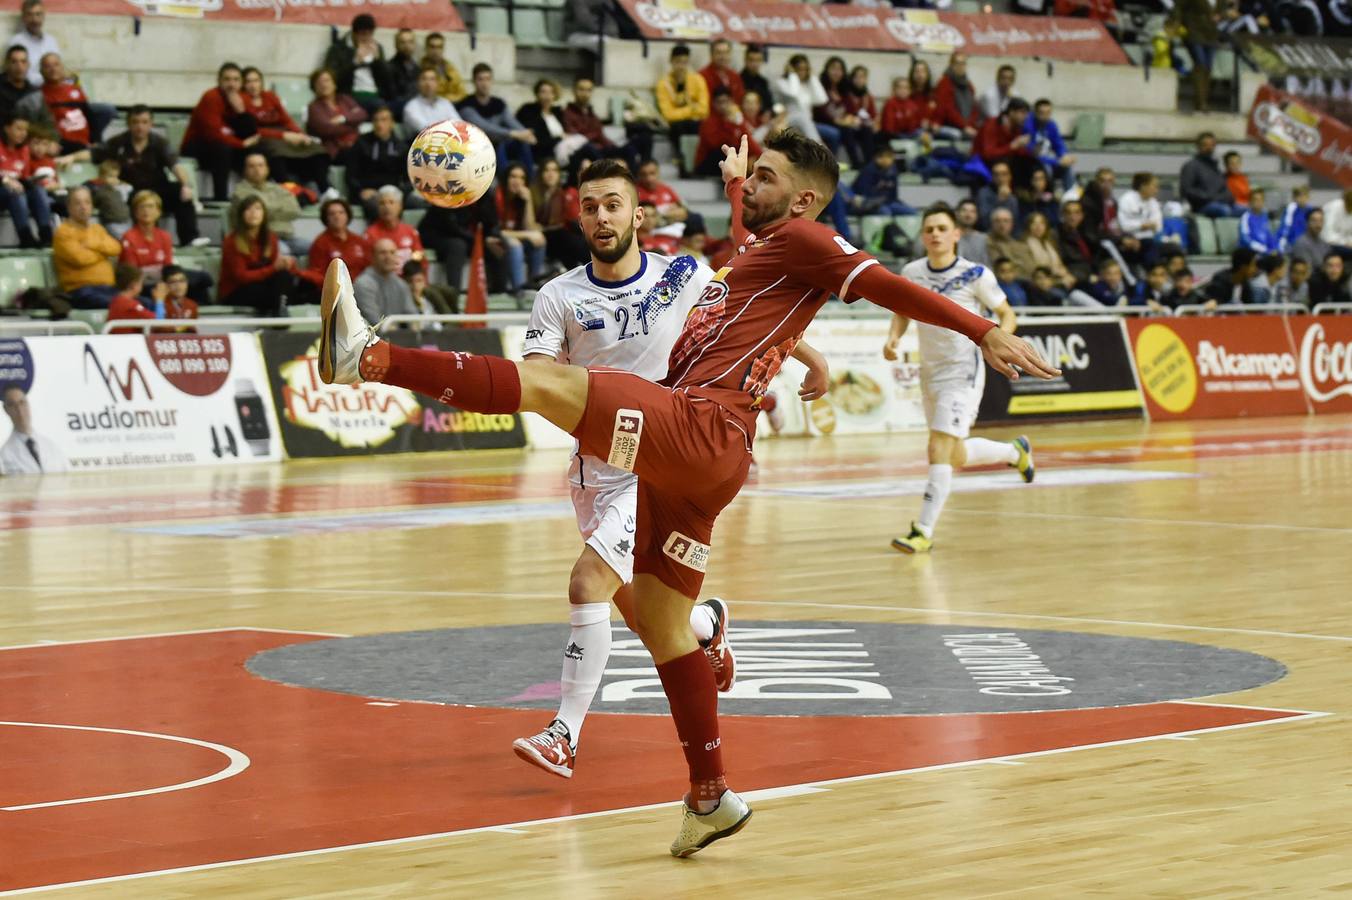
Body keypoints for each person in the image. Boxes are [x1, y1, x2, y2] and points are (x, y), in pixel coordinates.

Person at [315, 131, 1057, 855]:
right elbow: (756, 264)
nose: (750, 183)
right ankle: (710, 795)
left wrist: (981, 328)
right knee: (666, 628)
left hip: (701, 428)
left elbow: (884, 284)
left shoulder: (808, 239)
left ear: (802, 198)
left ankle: (367, 356)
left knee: (545, 384)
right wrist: (739, 191)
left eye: (764, 176)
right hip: (704, 458)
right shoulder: (761, 251)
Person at [512, 160, 829, 780]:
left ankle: (564, 734)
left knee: (586, 586)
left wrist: (809, 356)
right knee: (647, 618)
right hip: (596, 473)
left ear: (639, 215)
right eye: (589, 207)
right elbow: (539, 380)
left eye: (612, 205)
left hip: (663, 459)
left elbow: (753, 316)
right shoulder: (558, 296)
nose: (600, 217)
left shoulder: (680, 275)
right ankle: (707, 624)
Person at [882, 202, 1033, 554]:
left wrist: (998, 342)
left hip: (963, 369)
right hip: (930, 369)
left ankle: (923, 530)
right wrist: (893, 337)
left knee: (937, 447)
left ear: (956, 234)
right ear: (923, 236)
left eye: (941, 228)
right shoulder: (911, 271)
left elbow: (1006, 314)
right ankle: (1014, 452)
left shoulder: (976, 274)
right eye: (929, 229)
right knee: (953, 452)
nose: (934, 234)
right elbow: (902, 310)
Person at [87, 105, 201, 246]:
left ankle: (190, 239)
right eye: (135, 122)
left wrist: (185, 185)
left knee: (180, 192)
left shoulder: (160, 143)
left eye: (144, 122)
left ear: (151, 124)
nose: (140, 127)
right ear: (129, 124)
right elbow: (93, 153)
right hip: (130, 192)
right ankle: (144, 243)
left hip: (158, 189)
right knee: (138, 200)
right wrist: (71, 158)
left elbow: (176, 166)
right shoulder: (118, 142)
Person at [240, 66, 329, 192]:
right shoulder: (242, 101)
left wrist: (300, 134)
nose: (253, 85)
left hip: (283, 133)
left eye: (256, 80)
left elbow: (285, 119)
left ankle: (325, 189)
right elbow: (252, 129)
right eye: (248, 81)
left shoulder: (270, 96)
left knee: (317, 149)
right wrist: (283, 136)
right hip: (264, 137)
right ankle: (289, 189)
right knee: (276, 151)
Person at [181, 62, 256, 202]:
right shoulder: (211, 97)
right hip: (198, 145)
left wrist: (241, 112)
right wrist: (241, 144)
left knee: (256, 151)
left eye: (236, 80)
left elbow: (251, 132)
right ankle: (220, 199)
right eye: (227, 79)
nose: (231, 84)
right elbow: (213, 134)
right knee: (222, 149)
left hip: (228, 144)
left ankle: (252, 196)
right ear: (219, 81)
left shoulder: (244, 98)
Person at [219, 194, 296, 316]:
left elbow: (275, 271)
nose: (253, 213)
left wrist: (287, 264)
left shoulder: (271, 238)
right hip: (236, 290)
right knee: (267, 292)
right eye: (248, 209)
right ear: (241, 214)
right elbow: (242, 277)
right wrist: (274, 268)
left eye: (257, 208)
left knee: (285, 276)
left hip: (262, 285)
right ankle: (279, 313)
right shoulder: (232, 241)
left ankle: (280, 312)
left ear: (264, 214)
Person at [459, 63, 537, 177]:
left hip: (501, 142)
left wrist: (525, 134)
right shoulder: (466, 105)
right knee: (499, 144)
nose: (484, 83)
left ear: (492, 81)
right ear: (474, 81)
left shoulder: (498, 103)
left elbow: (511, 122)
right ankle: (505, 182)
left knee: (522, 143)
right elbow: (484, 128)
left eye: (487, 79)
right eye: (480, 79)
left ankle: (529, 182)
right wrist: (512, 134)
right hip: (477, 147)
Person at [52, 185, 119, 307]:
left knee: (143, 303)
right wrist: (103, 254)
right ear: (69, 207)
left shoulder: (97, 229)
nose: (83, 207)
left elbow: (115, 248)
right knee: (119, 305)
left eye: (87, 202)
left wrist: (94, 245)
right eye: (78, 203)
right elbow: (80, 259)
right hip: (81, 291)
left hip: (108, 288)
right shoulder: (63, 232)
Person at [231, 151, 307, 257]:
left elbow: (295, 210)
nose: (257, 170)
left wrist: (267, 209)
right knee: (284, 253)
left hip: (288, 237)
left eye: (261, 165)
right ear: (245, 170)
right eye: (252, 166)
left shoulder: (277, 187)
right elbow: (260, 212)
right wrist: (279, 208)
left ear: (267, 169)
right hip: (260, 240)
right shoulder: (240, 192)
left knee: (317, 249)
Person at [347, 104, 411, 220]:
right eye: (376, 120)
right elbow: (351, 174)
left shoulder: (401, 147)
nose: (379, 124)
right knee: (382, 207)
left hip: (394, 192)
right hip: (368, 191)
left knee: (428, 204)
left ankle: (405, 235)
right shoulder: (361, 143)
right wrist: (360, 190)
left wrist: (399, 193)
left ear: (392, 123)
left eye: (384, 120)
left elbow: (410, 179)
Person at [496, 163, 549, 296]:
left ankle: (533, 285)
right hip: (494, 240)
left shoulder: (520, 199)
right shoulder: (497, 196)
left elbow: (529, 227)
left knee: (539, 239)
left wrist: (528, 201)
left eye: (521, 178)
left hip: (514, 237)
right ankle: (519, 291)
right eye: (513, 177)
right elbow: (496, 231)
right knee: (516, 245)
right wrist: (527, 235)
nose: (517, 181)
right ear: (506, 179)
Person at [0, 112, 51, 247]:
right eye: (19, 128)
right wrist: (4, 180)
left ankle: (46, 235)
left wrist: (31, 182)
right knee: (15, 192)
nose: (23, 133)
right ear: (6, 128)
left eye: (25, 130)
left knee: (38, 191)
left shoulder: (24, 150)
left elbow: (23, 177)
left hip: (13, 191)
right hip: (4, 191)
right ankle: (25, 237)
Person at [300, 198, 372, 294]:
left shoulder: (359, 241)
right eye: (332, 214)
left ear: (347, 215)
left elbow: (369, 268)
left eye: (341, 212)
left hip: (362, 289)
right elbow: (318, 274)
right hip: (335, 293)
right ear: (326, 218)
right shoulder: (320, 243)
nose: (337, 216)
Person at [322, 13, 391, 112]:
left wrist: (378, 61)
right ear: (354, 33)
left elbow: (387, 80)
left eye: (370, 34)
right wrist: (354, 63)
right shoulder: (338, 49)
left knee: (385, 109)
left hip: (375, 96)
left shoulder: (377, 48)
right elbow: (333, 79)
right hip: (348, 96)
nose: (366, 38)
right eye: (363, 34)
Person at [815, 56, 871, 169]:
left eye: (840, 69)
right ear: (826, 70)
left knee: (866, 129)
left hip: (844, 122)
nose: (837, 72)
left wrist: (853, 118)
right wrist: (838, 121)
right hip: (825, 122)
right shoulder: (820, 87)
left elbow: (851, 109)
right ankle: (856, 163)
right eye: (833, 69)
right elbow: (819, 111)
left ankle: (869, 163)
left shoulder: (844, 90)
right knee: (846, 130)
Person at [655, 44, 709, 162]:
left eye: (685, 62)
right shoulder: (663, 84)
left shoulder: (698, 80)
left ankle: (698, 160)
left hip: (695, 123)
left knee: (701, 126)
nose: (681, 66)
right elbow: (668, 115)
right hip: (677, 126)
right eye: (678, 62)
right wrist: (691, 109)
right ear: (671, 61)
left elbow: (704, 110)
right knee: (679, 127)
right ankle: (683, 160)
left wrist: (683, 111)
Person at [1, 384, 68, 476]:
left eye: (22, 403)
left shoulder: (51, 447)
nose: (19, 410)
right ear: (6, 410)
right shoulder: (5, 456)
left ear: (28, 404)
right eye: (13, 405)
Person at [533, 157, 588, 269]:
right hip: (545, 236)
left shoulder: (562, 193)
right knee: (567, 239)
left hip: (560, 235)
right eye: (546, 170)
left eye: (554, 170)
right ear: (541, 174)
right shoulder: (533, 193)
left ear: (559, 174)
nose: (550, 174)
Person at [695, 88, 760, 178]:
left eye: (725, 102)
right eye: (719, 102)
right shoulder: (708, 122)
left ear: (731, 102)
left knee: (745, 156)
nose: (723, 106)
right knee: (727, 153)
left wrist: (757, 155)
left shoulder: (736, 120)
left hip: (726, 160)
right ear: (713, 103)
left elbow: (747, 140)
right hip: (708, 163)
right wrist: (731, 124)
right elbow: (716, 144)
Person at [306, 68, 367, 163]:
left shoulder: (344, 99)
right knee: (356, 152)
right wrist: (353, 125)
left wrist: (343, 118)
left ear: (334, 84)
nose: (323, 84)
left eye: (327, 80)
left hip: (355, 143)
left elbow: (362, 114)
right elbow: (327, 129)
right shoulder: (314, 107)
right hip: (335, 149)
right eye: (319, 82)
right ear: (314, 87)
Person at [972, 97, 1036, 187]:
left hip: (1006, 161)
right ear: (1011, 112)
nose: (1025, 117)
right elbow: (988, 154)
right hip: (984, 163)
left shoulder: (1016, 128)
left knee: (1033, 163)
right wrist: (1012, 146)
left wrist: (1031, 152)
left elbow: (1018, 151)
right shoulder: (991, 125)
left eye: (1026, 114)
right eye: (1022, 113)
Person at [354, 237, 418, 322]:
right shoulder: (363, 284)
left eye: (392, 252)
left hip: (397, 334)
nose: (388, 257)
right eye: (383, 253)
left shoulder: (401, 284)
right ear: (372, 256)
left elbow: (413, 318)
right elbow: (375, 323)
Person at [774, 54, 830, 149]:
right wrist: (792, 74)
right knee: (802, 117)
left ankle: (822, 150)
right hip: (788, 121)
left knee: (833, 134)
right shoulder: (782, 82)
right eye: (799, 69)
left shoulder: (807, 84)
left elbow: (822, 99)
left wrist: (812, 76)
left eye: (805, 69)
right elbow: (794, 92)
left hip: (807, 123)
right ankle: (820, 148)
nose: (802, 72)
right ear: (792, 68)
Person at [37, 52, 89, 153]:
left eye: (56, 65)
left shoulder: (76, 90)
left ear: (62, 67)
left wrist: (95, 140)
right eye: (48, 66)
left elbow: (89, 115)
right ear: (41, 71)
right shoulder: (38, 95)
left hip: (85, 143)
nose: (53, 69)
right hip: (61, 146)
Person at [1180, 132, 1241, 217]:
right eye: (1205, 145)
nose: (1209, 148)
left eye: (1212, 145)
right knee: (1224, 210)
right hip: (1201, 206)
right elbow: (1187, 191)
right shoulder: (1190, 166)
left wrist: (1227, 198)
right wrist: (1209, 198)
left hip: (1220, 203)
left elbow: (1225, 190)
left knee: (1248, 211)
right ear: (1198, 146)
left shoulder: (1216, 168)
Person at [1026, 99, 1076, 191]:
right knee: (1047, 168)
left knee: (1066, 167)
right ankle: (1049, 196)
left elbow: (1058, 143)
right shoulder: (1028, 126)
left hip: (1048, 160)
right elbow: (1032, 152)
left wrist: (1064, 156)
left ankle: (1071, 197)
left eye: (1048, 113)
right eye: (1042, 113)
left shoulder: (1051, 125)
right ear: (1035, 112)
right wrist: (1057, 162)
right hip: (1031, 161)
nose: (1045, 116)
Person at [106, 262, 169, 334]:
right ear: (133, 285)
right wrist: (160, 300)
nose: (142, 285)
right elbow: (160, 324)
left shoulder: (117, 300)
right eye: (140, 282)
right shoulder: (129, 305)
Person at [850, 144, 913, 215]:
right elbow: (865, 196)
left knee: (911, 212)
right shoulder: (868, 171)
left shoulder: (893, 171)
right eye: (882, 156)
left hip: (887, 202)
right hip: (869, 204)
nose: (886, 160)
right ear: (875, 157)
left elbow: (893, 195)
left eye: (889, 156)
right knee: (885, 212)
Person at [7, 0, 57, 88]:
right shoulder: (16, 42)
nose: (34, 19)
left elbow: (58, 68)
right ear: (23, 17)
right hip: (27, 91)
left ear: (43, 16)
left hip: (52, 89)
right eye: (30, 15)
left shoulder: (51, 41)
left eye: (38, 14)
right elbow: (15, 74)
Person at [1022, 211, 1076, 292]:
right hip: (1041, 284)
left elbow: (1060, 265)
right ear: (1028, 227)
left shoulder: (1049, 243)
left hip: (1057, 280)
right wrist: (1057, 275)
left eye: (1042, 223)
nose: (1038, 227)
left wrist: (1066, 274)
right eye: (1034, 223)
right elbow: (1033, 269)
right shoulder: (1024, 245)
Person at [516, 79, 566, 164]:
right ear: (537, 94)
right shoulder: (528, 110)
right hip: (541, 152)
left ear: (555, 95)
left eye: (551, 92)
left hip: (561, 150)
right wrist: (559, 138)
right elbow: (537, 139)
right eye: (543, 92)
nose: (547, 96)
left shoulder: (558, 112)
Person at [934, 52, 982, 139]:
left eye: (963, 63)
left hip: (967, 126)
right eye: (957, 63)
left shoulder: (969, 85)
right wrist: (965, 126)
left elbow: (974, 108)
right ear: (951, 65)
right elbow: (948, 110)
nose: (960, 66)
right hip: (951, 126)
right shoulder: (944, 83)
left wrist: (969, 125)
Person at [402, 65, 458, 134]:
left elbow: (459, 124)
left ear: (438, 83)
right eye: (424, 79)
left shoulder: (445, 103)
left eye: (432, 79)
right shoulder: (411, 107)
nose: (428, 83)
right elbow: (427, 130)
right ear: (418, 83)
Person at [420, 31, 467, 103]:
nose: (436, 51)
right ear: (427, 48)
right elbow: (430, 93)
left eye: (439, 47)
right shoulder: (421, 68)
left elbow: (462, 92)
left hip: (456, 104)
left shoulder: (450, 67)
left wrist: (452, 98)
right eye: (432, 47)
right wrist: (448, 98)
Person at [986, 207, 1033, 278]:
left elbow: (1030, 267)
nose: (1002, 225)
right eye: (997, 221)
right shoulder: (988, 242)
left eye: (1006, 221)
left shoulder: (1019, 244)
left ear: (1012, 224)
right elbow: (1002, 270)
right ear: (992, 224)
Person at [976, 160, 1020, 230]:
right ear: (992, 177)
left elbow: (1016, 224)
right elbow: (984, 222)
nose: (1000, 178)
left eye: (1004, 174)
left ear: (1010, 176)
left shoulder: (1013, 197)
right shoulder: (983, 193)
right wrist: (1000, 200)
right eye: (996, 175)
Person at [880, 76, 924, 142]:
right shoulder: (890, 104)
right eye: (900, 87)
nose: (903, 90)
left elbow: (917, 124)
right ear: (894, 89)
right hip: (896, 136)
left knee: (924, 135)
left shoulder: (912, 105)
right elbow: (889, 129)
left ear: (910, 91)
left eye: (906, 88)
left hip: (911, 133)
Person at [700, 39, 744, 104]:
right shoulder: (702, 76)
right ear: (711, 55)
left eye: (726, 52)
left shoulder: (735, 76)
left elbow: (741, 100)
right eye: (719, 53)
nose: (723, 56)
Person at [387, 28, 421, 110]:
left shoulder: (417, 68)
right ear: (396, 45)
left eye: (410, 42)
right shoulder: (389, 67)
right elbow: (392, 96)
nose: (407, 46)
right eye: (403, 42)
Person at [1239, 188, 1280, 254]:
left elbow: (1269, 236)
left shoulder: (1265, 217)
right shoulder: (1246, 217)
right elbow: (1245, 239)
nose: (1258, 202)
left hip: (1264, 252)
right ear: (1250, 202)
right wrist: (1265, 250)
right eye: (1255, 200)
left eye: (1261, 200)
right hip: (1250, 252)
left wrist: (1275, 249)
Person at [739, 44, 773, 114]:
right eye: (751, 60)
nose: (754, 64)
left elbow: (769, 105)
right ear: (745, 60)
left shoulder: (763, 82)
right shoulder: (737, 80)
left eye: (758, 60)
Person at [1278, 184, 1312, 252]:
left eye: (1304, 196)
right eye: (1299, 196)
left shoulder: (1311, 211)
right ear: (1294, 198)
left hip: (1307, 244)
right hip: (1291, 244)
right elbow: (1284, 228)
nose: (1302, 199)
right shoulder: (1290, 210)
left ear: (1308, 197)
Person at [954, 199, 989, 266]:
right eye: (964, 211)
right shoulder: (949, 236)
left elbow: (987, 265)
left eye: (972, 212)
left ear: (977, 216)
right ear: (957, 213)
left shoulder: (983, 239)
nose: (968, 214)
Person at [1323, 190, 1352, 257]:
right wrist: (1345, 243)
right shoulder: (1334, 207)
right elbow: (1328, 235)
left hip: (1345, 244)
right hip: (1329, 244)